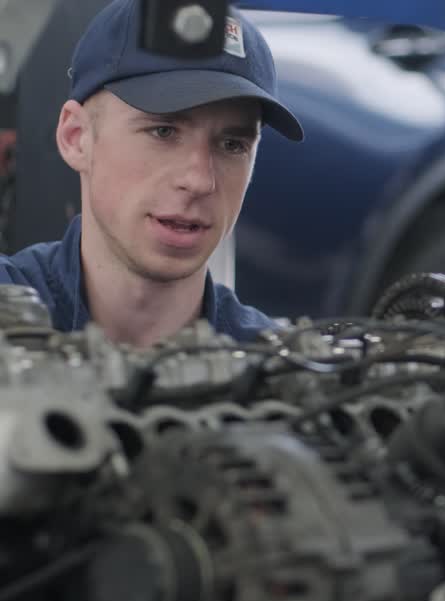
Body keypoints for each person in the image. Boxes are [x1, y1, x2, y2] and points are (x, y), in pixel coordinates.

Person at [0, 0, 304, 346]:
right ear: (77, 138)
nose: (199, 180)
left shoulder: (274, 365)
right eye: (163, 132)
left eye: (233, 145)